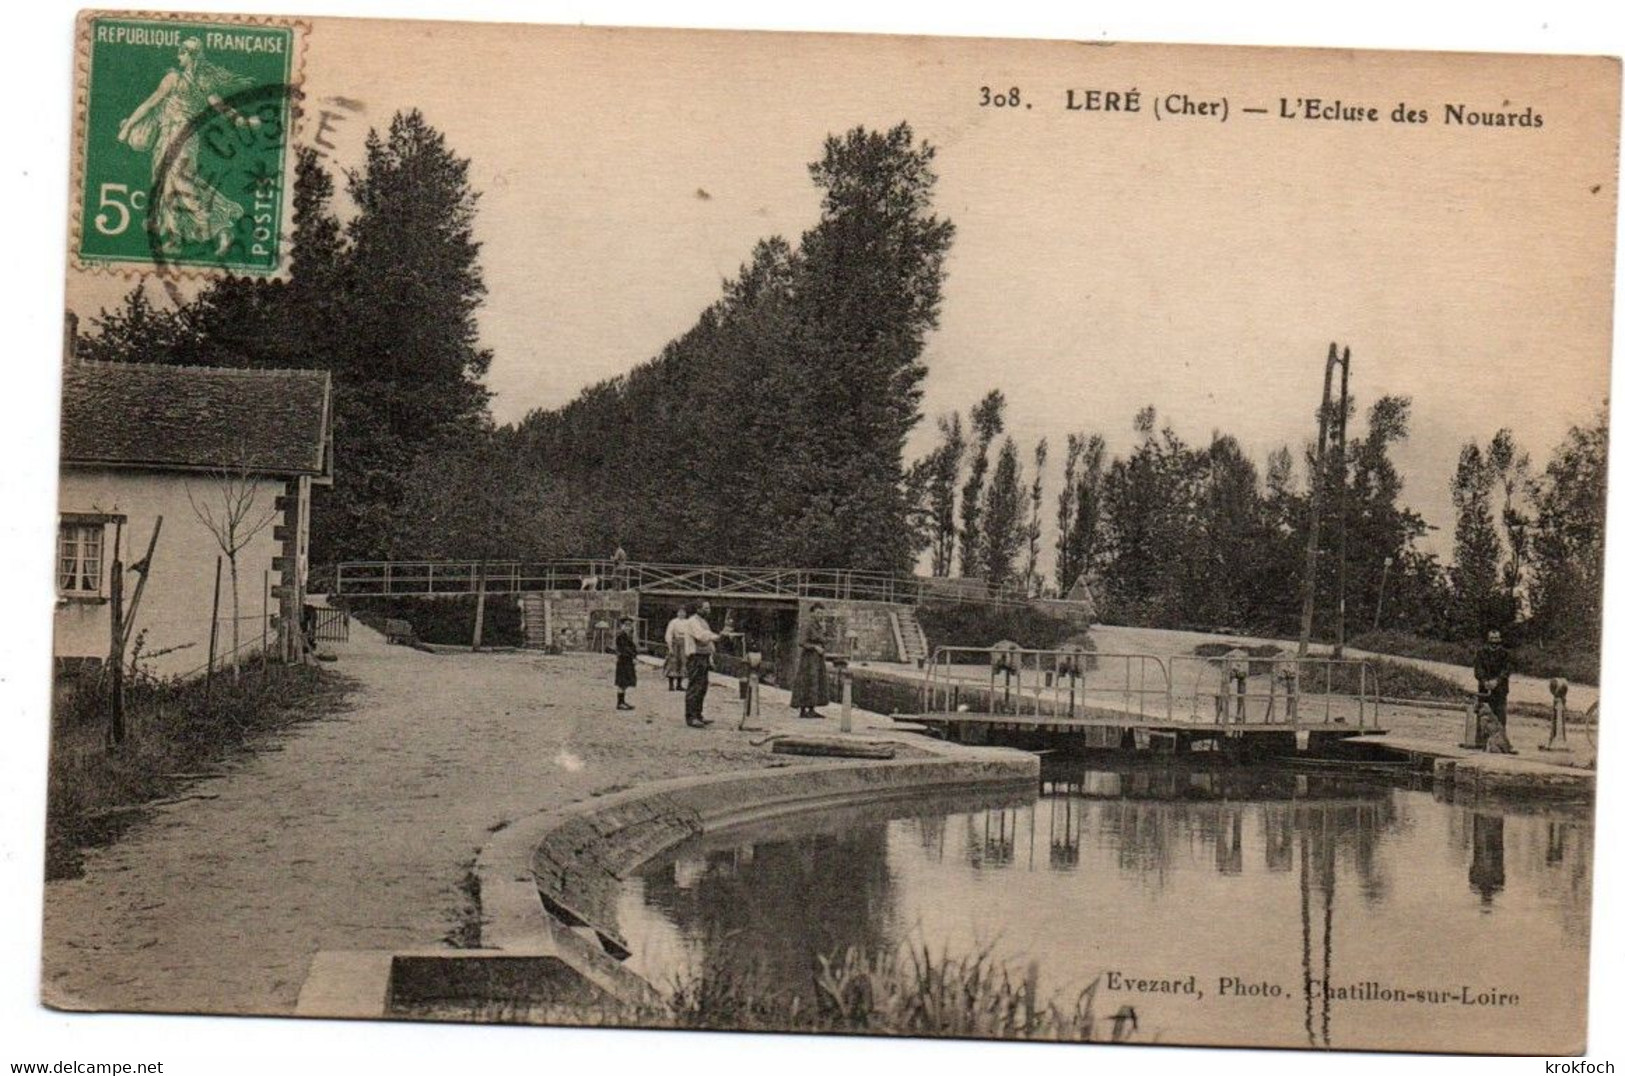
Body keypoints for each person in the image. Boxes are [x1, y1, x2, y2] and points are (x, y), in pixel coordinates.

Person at [117, 38, 258, 257]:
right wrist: (240, 120)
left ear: (190, 55)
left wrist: (127, 129)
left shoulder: (176, 79)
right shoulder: (198, 80)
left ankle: (221, 230)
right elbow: (220, 107)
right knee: (164, 183)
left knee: (182, 183)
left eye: (181, 53)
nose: (178, 57)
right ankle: (174, 238)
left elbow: (150, 103)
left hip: (180, 136)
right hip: (172, 136)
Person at [1472, 629, 1515, 753]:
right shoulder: (1481, 653)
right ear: (1488, 639)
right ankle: (1481, 742)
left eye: (1496, 639)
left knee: (1500, 716)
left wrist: (1497, 681)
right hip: (1484, 689)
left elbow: (1506, 670)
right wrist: (1485, 681)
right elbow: (1478, 669)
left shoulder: (1505, 654)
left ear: (1500, 639)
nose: (1494, 642)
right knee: (1483, 716)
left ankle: (1501, 744)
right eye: (1492, 639)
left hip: (1500, 690)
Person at [684, 601, 722, 728]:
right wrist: (718, 637)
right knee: (695, 686)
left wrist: (711, 656)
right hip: (695, 657)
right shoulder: (692, 621)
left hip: (704, 657)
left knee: (702, 687)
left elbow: (709, 640)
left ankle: (698, 714)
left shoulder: (703, 622)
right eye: (706, 608)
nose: (708, 610)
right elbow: (702, 636)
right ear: (698, 609)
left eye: (709, 608)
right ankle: (691, 717)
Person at [790, 603, 831, 718]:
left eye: (822, 613)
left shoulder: (819, 626)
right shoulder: (808, 625)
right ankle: (803, 710)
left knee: (816, 681)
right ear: (812, 613)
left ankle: (811, 708)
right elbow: (802, 642)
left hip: (817, 659)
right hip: (808, 659)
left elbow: (824, 640)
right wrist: (814, 647)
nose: (820, 615)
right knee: (807, 681)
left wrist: (824, 632)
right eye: (818, 613)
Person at [613, 617, 638, 711]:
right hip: (623, 661)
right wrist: (632, 656)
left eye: (629, 625)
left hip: (627, 661)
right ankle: (620, 703)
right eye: (626, 625)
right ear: (622, 626)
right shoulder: (621, 636)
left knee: (626, 682)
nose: (628, 627)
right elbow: (624, 649)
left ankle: (622, 701)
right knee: (622, 682)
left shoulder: (628, 636)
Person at [663, 604, 690, 692]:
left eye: (683, 612)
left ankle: (679, 684)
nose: (682, 614)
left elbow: (690, 635)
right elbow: (669, 634)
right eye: (680, 612)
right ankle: (671, 685)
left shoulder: (688, 622)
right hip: (675, 644)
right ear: (677, 613)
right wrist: (670, 646)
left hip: (684, 644)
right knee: (672, 663)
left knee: (682, 663)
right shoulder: (673, 622)